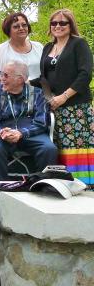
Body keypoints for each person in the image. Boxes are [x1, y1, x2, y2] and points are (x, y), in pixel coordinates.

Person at [34, 9, 93, 185]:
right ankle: (62, 185)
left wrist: (64, 97)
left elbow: (85, 75)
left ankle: (82, 186)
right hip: (55, 109)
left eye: (62, 23)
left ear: (70, 25)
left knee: (77, 149)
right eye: (54, 23)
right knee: (59, 148)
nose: (57, 26)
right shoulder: (47, 47)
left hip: (77, 108)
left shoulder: (79, 44)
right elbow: (44, 78)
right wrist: (22, 82)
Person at [0, 61, 57, 182]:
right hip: (4, 132)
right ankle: (2, 186)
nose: (2, 79)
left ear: (20, 79)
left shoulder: (37, 93)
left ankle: (42, 184)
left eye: (6, 75)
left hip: (30, 132)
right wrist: (0, 132)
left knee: (49, 148)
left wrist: (21, 133)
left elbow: (41, 123)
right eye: (2, 74)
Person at [0, 12, 43, 85]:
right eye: (16, 26)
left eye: (24, 25)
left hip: (39, 93)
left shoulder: (39, 47)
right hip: (12, 94)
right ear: (8, 30)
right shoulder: (1, 50)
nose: (21, 28)